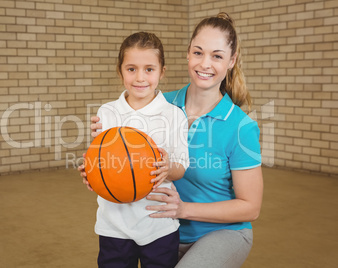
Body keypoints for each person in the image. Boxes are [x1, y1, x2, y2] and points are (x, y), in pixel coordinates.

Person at [88, 12, 264, 268]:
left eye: (217, 56)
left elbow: (251, 208)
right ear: (188, 53)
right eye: (198, 52)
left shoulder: (241, 127)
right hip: (160, 228)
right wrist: (99, 163)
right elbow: (117, 150)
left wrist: (184, 210)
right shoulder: (156, 102)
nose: (205, 64)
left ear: (231, 61)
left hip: (218, 232)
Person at [79, 32, 189, 268]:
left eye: (149, 69)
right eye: (131, 69)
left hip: (158, 223)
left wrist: (168, 168)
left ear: (162, 71)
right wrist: (92, 174)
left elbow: (181, 167)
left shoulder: (173, 115)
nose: (140, 77)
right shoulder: (107, 112)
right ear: (120, 71)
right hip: (114, 225)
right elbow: (102, 162)